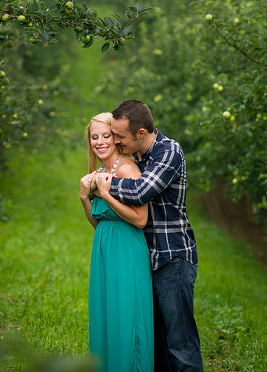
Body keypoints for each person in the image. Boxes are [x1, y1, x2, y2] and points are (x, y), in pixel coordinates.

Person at [96, 99, 203, 372]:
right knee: (155, 347)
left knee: (180, 345)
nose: (116, 142)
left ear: (140, 133)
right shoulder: (135, 158)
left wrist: (101, 185)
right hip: (144, 259)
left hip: (172, 257)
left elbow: (142, 191)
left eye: (120, 136)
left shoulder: (168, 151)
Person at [79, 112, 154, 372]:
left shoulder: (127, 169)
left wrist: (106, 195)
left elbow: (141, 219)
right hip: (104, 251)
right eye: (94, 137)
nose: (99, 142)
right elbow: (100, 223)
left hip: (127, 252)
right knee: (107, 317)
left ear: (116, 138)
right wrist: (85, 199)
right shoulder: (99, 171)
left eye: (106, 136)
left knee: (126, 318)